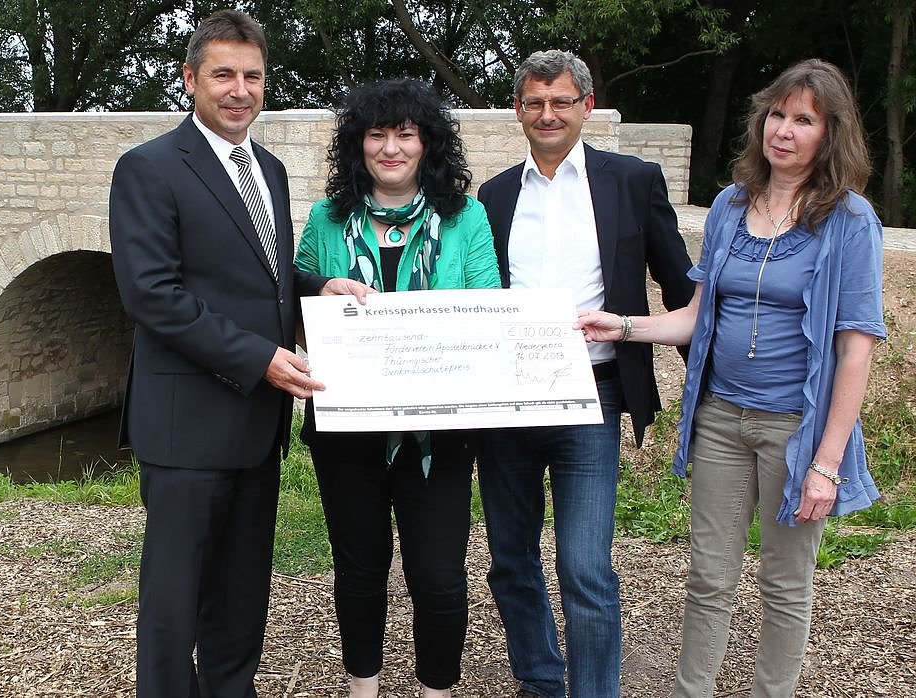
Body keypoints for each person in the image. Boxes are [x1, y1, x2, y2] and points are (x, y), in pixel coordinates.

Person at [575, 58, 885, 697]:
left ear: (831, 134)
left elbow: (855, 350)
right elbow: (695, 316)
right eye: (777, 114)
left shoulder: (850, 221)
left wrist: (827, 464)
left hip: (796, 429)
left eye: (804, 120)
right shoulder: (729, 205)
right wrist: (622, 326)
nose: (784, 130)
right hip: (720, 418)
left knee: (785, 584)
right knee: (709, 579)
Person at [107, 10, 370, 697]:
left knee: (241, 592)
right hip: (186, 425)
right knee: (174, 600)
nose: (239, 89)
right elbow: (152, 294)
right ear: (190, 79)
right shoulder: (148, 168)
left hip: (255, 424)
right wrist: (259, 358)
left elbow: (260, 275)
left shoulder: (269, 169)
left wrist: (316, 288)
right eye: (223, 74)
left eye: (252, 76)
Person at [475, 50, 695, 698]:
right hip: (508, 401)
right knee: (510, 560)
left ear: (586, 106)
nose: (548, 114)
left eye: (562, 101)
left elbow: (680, 284)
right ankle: (541, 681)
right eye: (535, 102)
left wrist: (706, 381)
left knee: (585, 568)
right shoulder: (494, 195)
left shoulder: (632, 181)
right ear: (519, 110)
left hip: (591, 396)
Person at [294, 78, 500, 698]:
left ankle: (437, 689)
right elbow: (295, 300)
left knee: (439, 576)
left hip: (439, 434)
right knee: (359, 571)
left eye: (405, 134)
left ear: (427, 143)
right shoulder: (326, 219)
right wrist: (320, 293)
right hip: (347, 431)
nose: (390, 148)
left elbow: (488, 307)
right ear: (357, 144)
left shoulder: (467, 218)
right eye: (376, 134)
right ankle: (364, 688)